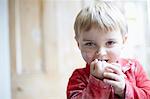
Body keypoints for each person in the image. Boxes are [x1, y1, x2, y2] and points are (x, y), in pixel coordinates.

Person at [66, 0, 150, 99]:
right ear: (78, 44)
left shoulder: (134, 68)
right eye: (90, 44)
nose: (101, 53)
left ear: (123, 41)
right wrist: (97, 82)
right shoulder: (78, 78)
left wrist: (124, 89)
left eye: (110, 43)